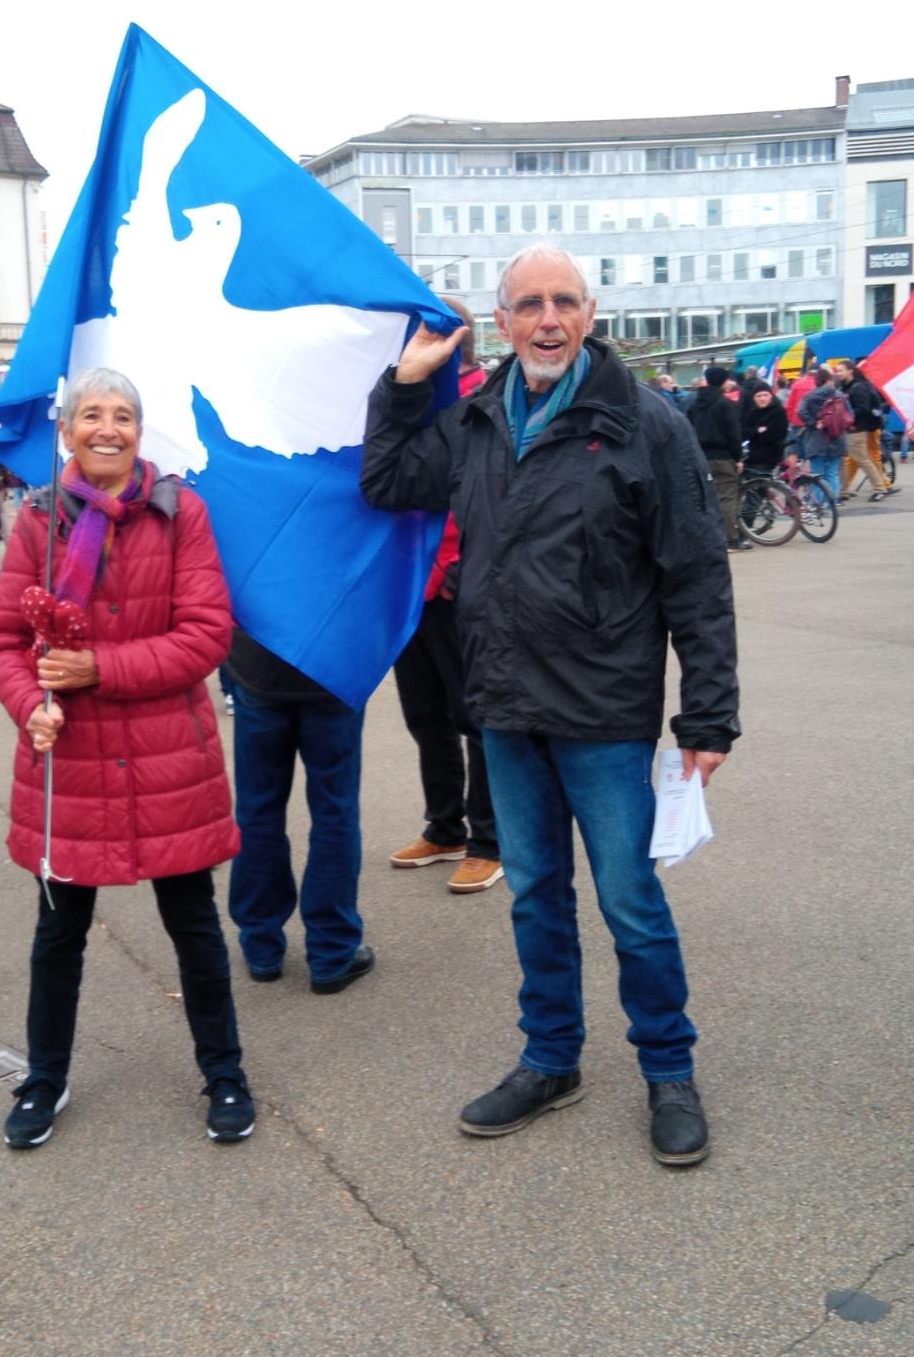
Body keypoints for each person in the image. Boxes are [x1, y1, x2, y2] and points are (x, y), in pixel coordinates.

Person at [361, 243, 739, 1168]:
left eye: (562, 301)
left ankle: (668, 1069)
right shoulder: (477, 416)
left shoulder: (645, 423)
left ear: (591, 312)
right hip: (503, 705)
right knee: (534, 896)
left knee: (629, 901)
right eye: (527, 304)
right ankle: (549, 1060)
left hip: (603, 712)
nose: (546, 319)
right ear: (502, 322)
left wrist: (708, 713)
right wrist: (405, 386)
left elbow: (694, 573)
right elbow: (386, 481)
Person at [0, 366, 254, 1149]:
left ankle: (224, 1071)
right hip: (72, 764)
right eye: (91, 415)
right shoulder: (38, 521)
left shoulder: (180, 513)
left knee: (193, 925)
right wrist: (29, 704)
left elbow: (206, 635)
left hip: (170, 759)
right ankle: (45, 1078)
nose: (108, 428)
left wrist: (99, 666)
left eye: (123, 415)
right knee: (59, 935)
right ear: (66, 431)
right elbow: (3, 641)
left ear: (141, 431)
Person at [390, 299, 503, 894]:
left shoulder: (483, 402)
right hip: (412, 586)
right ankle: (445, 826)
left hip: (459, 585)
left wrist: (464, 572)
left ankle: (490, 838)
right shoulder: (411, 402)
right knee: (426, 716)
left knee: (475, 718)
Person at [226, 629, 373, 992]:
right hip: (334, 662)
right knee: (335, 812)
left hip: (259, 658)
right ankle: (332, 950)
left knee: (258, 809)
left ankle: (261, 945)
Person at [688, 365, 750, 551]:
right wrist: (738, 457)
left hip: (701, 457)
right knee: (727, 498)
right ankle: (730, 539)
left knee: (706, 499)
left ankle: (707, 537)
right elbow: (733, 434)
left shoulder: (694, 404)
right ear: (723, 381)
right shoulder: (725, 404)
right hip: (723, 457)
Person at [836, 361, 897, 501]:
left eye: (841, 370)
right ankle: (843, 491)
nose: (838, 373)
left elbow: (863, 408)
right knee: (850, 460)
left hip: (858, 429)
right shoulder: (848, 386)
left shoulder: (858, 387)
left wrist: (845, 415)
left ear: (850, 370)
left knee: (862, 459)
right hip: (853, 429)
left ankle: (879, 489)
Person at [797, 368, 850, 502]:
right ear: (829, 380)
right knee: (832, 473)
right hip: (838, 438)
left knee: (817, 475)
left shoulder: (809, 396)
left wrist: (814, 423)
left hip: (817, 440)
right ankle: (833, 503)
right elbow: (850, 416)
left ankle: (818, 503)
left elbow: (800, 412)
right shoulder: (840, 396)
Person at [742, 384, 788, 473]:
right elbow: (743, 432)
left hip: (771, 456)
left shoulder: (778, 411)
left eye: (765, 395)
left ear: (771, 396)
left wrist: (755, 433)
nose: (762, 399)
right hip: (754, 455)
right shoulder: (752, 412)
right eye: (759, 396)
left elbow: (777, 434)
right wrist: (757, 430)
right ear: (754, 398)